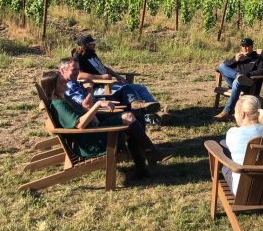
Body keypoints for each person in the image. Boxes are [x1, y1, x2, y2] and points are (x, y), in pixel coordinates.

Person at [40, 65, 171, 179]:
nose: (63, 81)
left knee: (132, 120)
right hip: (92, 142)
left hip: (93, 133)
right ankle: (151, 153)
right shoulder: (59, 105)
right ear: (53, 87)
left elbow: (84, 110)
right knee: (129, 119)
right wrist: (97, 106)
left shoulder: (65, 98)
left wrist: (98, 108)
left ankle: (145, 163)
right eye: (59, 81)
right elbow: (79, 125)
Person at [72, 33, 162, 117]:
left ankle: (156, 111)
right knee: (125, 88)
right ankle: (138, 106)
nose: (94, 44)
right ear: (86, 45)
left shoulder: (91, 54)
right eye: (92, 43)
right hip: (98, 87)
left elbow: (104, 68)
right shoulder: (78, 57)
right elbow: (79, 75)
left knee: (140, 87)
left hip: (110, 84)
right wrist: (100, 77)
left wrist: (118, 76)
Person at [222, 95, 263, 194]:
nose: (234, 115)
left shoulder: (233, 133)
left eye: (235, 113)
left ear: (242, 114)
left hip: (244, 191)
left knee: (223, 151)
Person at [214, 37, 263, 121]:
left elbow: (262, 71)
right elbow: (224, 67)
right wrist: (234, 60)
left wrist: (247, 74)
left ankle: (227, 112)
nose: (245, 48)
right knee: (222, 65)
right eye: (243, 46)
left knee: (237, 81)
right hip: (235, 81)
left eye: (247, 46)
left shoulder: (260, 59)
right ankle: (238, 76)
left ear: (252, 46)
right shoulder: (239, 57)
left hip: (249, 84)